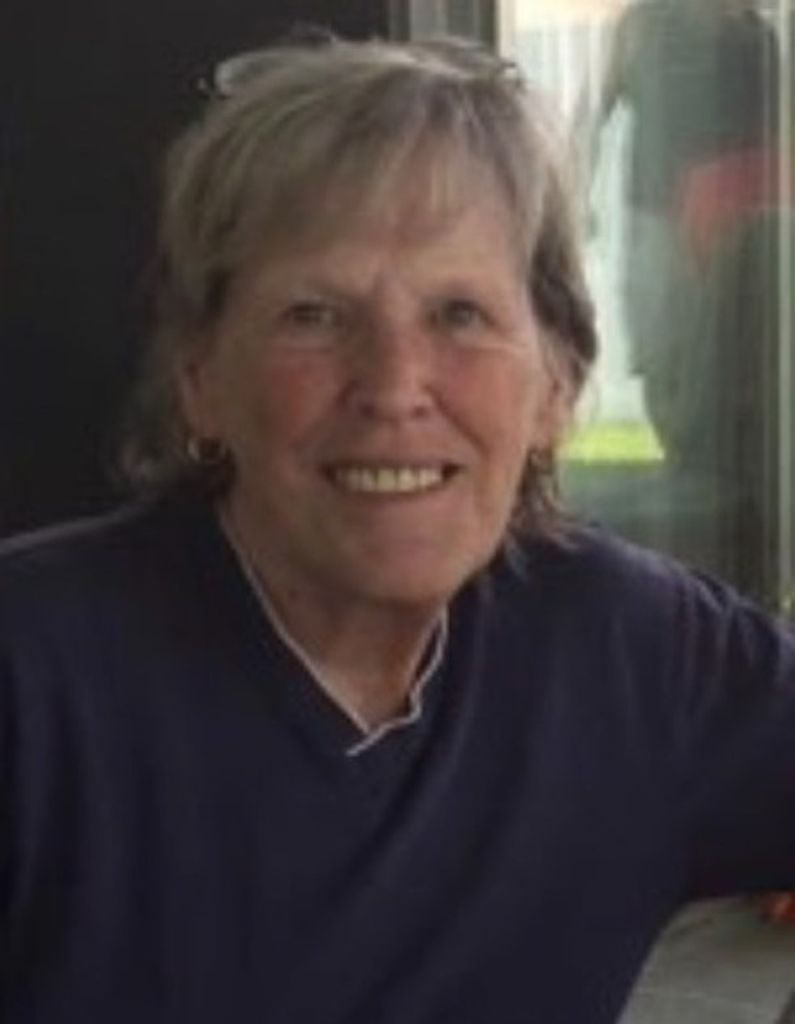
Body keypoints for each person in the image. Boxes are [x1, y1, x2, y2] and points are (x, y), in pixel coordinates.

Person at [0, 34, 793, 1024]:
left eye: (458, 313)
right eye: (313, 315)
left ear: (556, 385)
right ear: (200, 377)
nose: (393, 385)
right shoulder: (33, 676)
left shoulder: (636, 652)